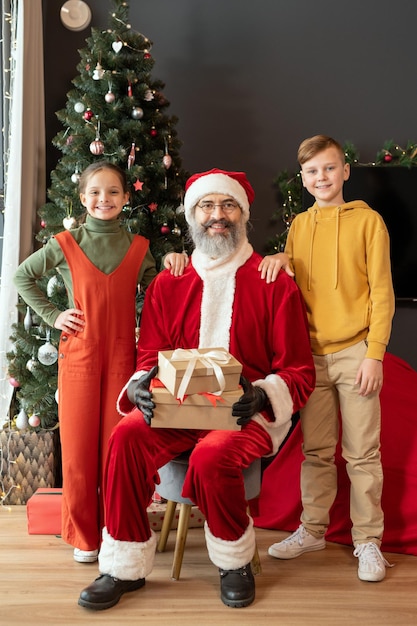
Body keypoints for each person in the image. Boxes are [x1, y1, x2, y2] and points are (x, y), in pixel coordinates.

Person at [77, 167, 315, 611]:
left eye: (227, 205)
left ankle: (234, 562)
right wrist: (142, 387)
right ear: (192, 215)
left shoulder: (272, 281)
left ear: (242, 214)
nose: (217, 216)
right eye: (207, 205)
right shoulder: (171, 280)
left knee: (212, 455)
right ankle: (123, 567)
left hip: (247, 413)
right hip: (177, 410)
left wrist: (262, 395)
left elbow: (299, 370)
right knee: (126, 436)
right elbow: (150, 355)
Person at [14, 161, 187, 564]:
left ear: (126, 198)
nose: (103, 199)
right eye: (95, 192)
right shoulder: (65, 243)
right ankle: (83, 536)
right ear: (82, 198)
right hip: (78, 359)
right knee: (77, 452)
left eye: (112, 192)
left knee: (116, 452)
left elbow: (165, 290)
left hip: (124, 363)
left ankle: (117, 530)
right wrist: (54, 314)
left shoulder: (141, 248)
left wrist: (171, 262)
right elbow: (24, 277)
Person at [261, 135, 395, 582]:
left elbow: (381, 291)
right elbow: (300, 270)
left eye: (330, 168)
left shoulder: (368, 222)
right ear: (304, 178)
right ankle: (313, 529)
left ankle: (368, 541)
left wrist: (374, 355)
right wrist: (282, 256)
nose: (322, 177)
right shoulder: (299, 223)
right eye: (313, 171)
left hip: (356, 352)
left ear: (345, 171)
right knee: (316, 451)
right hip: (310, 357)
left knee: (361, 454)